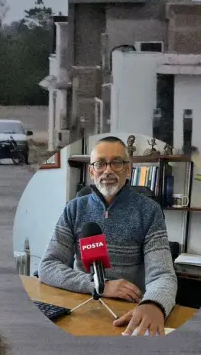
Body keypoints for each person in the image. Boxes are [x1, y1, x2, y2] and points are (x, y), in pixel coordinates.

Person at [37, 136, 178, 336]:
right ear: (91, 171)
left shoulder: (149, 211)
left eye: (117, 162)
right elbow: (48, 266)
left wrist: (154, 304)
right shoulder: (74, 208)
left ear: (128, 169)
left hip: (128, 311)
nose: (108, 170)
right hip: (81, 304)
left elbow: (163, 275)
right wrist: (100, 287)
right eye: (100, 163)